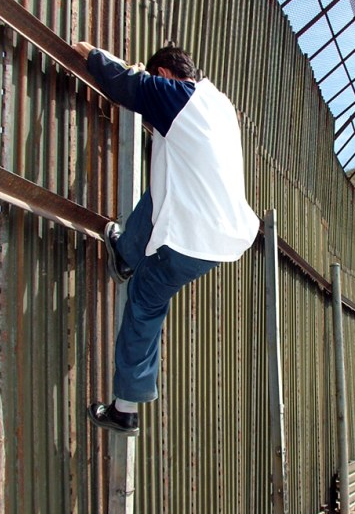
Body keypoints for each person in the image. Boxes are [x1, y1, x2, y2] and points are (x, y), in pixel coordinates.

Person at [72, 41, 260, 434]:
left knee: (144, 304)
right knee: (161, 186)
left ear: (165, 76)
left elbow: (122, 82)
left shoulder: (176, 98)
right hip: (223, 236)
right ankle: (125, 252)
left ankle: (125, 410)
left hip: (190, 241)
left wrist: (90, 53)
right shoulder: (219, 105)